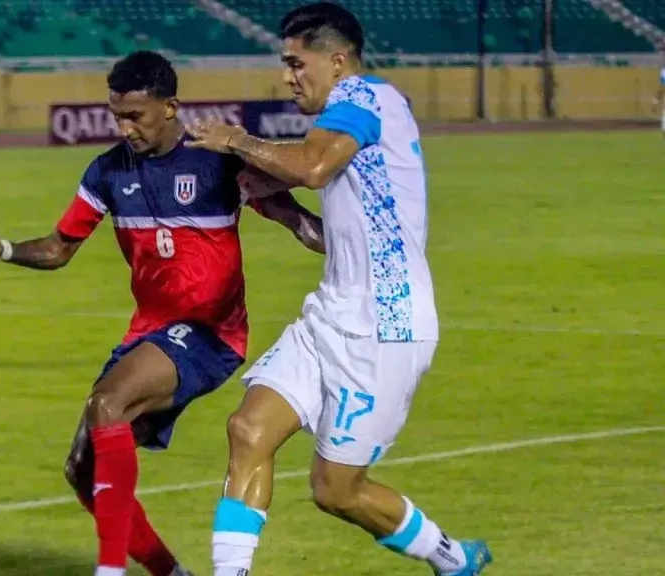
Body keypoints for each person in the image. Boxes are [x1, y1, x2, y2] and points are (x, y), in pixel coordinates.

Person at [0, 50, 324, 576]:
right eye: (117, 115)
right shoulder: (108, 171)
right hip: (151, 335)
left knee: (107, 402)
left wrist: (362, 252)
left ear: (171, 106)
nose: (125, 127)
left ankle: (109, 571)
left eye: (135, 115)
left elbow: (300, 224)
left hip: (210, 333)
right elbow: (61, 248)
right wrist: (4, 248)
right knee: (81, 472)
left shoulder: (217, 161)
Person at [184, 3, 492, 575]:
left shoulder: (368, 101)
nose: (288, 77)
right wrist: (279, 210)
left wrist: (235, 140)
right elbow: (335, 239)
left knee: (336, 490)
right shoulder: (350, 120)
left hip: (386, 327)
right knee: (248, 429)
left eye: (296, 64)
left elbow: (313, 165)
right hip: (332, 313)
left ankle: (452, 558)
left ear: (338, 61)